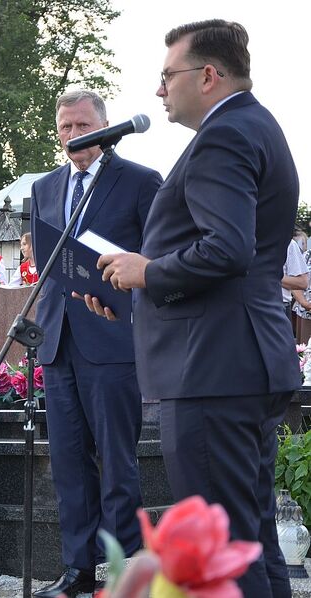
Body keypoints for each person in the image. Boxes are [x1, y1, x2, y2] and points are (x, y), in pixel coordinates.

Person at [91, 20, 298, 598]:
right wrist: (137, 297)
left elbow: (227, 249)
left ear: (208, 76)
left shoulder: (222, 135)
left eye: (168, 75)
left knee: (221, 554)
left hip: (212, 369)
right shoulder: (257, 124)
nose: (159, 90)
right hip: (243, 358)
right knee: (251, 542)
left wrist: (148, 272)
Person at [30, 89, 162, 598]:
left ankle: (122, 574)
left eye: (83, 126)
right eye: (65, 127)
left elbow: (156, 258)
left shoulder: (141, 181)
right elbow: (46, 260)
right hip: (58, 340)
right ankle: (78, 571)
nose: (73, 135)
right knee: (68, 463)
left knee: (117, 462)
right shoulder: (44, 186)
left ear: (106, 127)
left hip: (111, 338)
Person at [282, 238, 308, 321]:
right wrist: (303, 302)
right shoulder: (308, 255)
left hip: (279, 305)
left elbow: (301, 282)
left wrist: (267, 276)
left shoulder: (288, 243)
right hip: (250, 303)